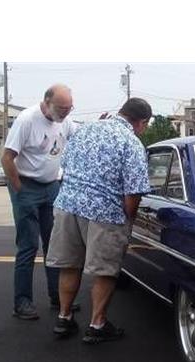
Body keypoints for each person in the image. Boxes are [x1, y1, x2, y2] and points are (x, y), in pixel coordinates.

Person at [45, 98, 152, 344]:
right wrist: (129, 220)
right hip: (104, 212)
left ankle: (64, 318)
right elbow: (133, 192)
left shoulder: (85, 130)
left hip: (67, 205)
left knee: (69, 265)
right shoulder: (131, 143)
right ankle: (97, 324)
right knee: (105, 271)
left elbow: (65, 166)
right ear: (142, 122)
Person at [1, 84, 80, 320]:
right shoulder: (27, 120)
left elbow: (81, 136)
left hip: (51, 187)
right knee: (28, 245)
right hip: (26, 186)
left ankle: (57, 297)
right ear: (47, 102)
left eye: (69, 108)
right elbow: (7, 158)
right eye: (62, 108)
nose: (66, 112)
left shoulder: (64, 121)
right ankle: (22, 302)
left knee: (54, 245)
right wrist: (19, 190)